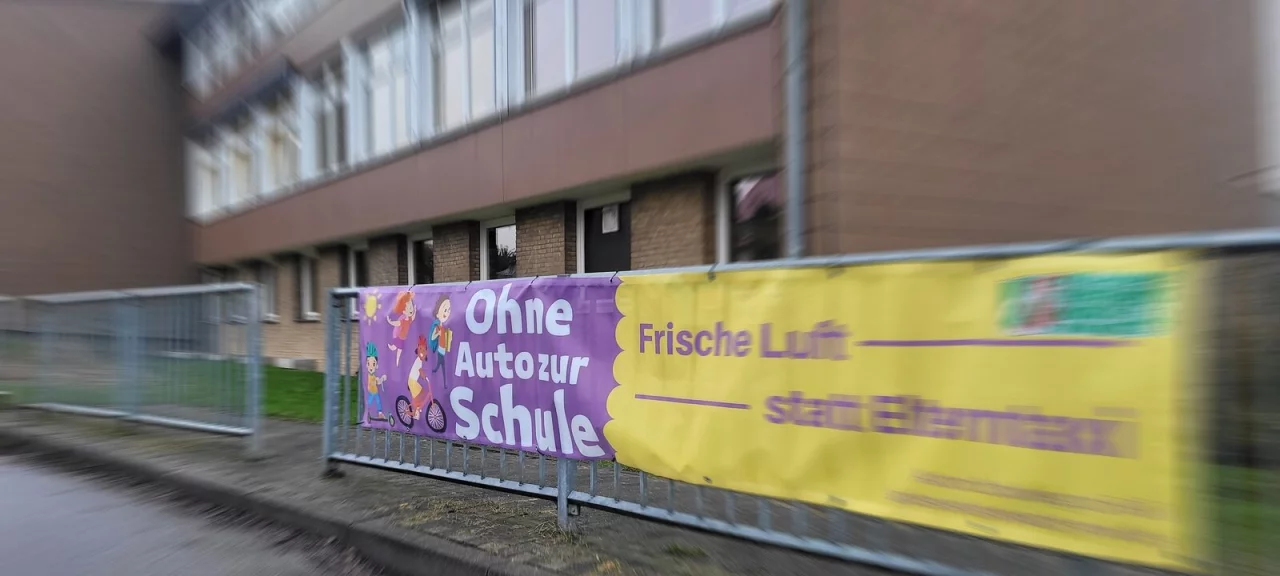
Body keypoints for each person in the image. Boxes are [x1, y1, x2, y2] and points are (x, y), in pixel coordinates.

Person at [386, 291, 417, 366]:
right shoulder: (403, 320)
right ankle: (396, 358)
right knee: (397, 348)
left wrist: (415, 311)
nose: (411, 310)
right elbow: (397, 323)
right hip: (400, 337)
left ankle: (396, 357)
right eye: (409, 308)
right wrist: (390, 322)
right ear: (403, 311)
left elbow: (413, 318)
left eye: (411, 307)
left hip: (403, 338)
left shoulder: (409, 319)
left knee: (399, 348)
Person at [428, 295, 453, 388]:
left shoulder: (443, 327)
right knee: (442, 365)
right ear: (437, 313)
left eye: (448, 310)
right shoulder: (437, 326)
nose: (447, 312)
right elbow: (432, 337)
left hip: (443, 349)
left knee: (441, 364)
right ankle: (443, 381)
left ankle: (436, 370)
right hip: (440, 350)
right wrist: (437, 334)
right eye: (445, 309)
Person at [364, 342, 387, 421]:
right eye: (369, 363)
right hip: (372, 391)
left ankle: (380, 413)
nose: (371, 367)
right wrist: (382, 379)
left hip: (375, 391)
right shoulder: (371, 376)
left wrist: (381, 379)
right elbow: (376, 382)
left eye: (373, 364)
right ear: (366, 365)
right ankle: (367, 412)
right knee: (370, 401)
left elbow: (377, 381)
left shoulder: (373, 375)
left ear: (376, 365)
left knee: (378, 401)